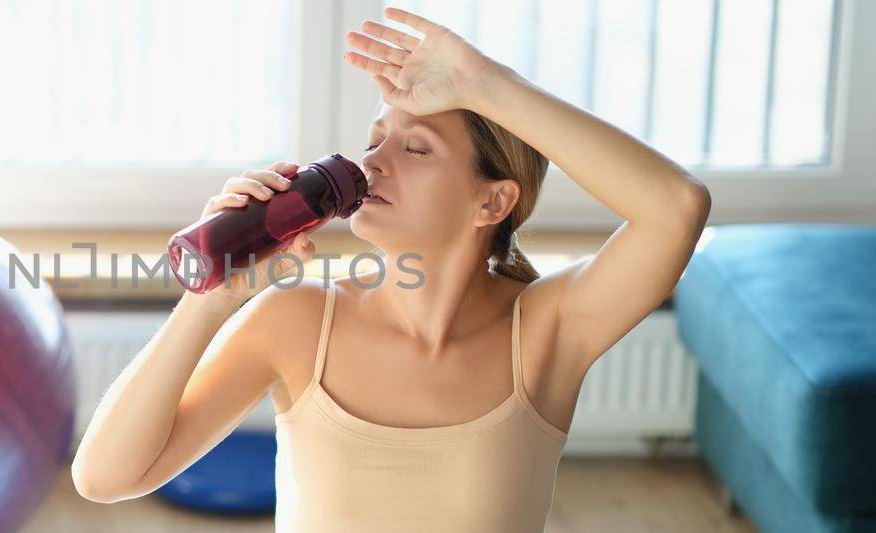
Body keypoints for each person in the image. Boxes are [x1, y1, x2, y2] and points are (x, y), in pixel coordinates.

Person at [72, 7, 711, 532]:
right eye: (375, 139)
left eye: (416, 148)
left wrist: (487, 84)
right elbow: (105, 478)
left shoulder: (544, 332)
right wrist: (211, 299)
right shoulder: (298, 320)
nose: (373, 164)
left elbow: (676, 208)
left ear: (493, 200)